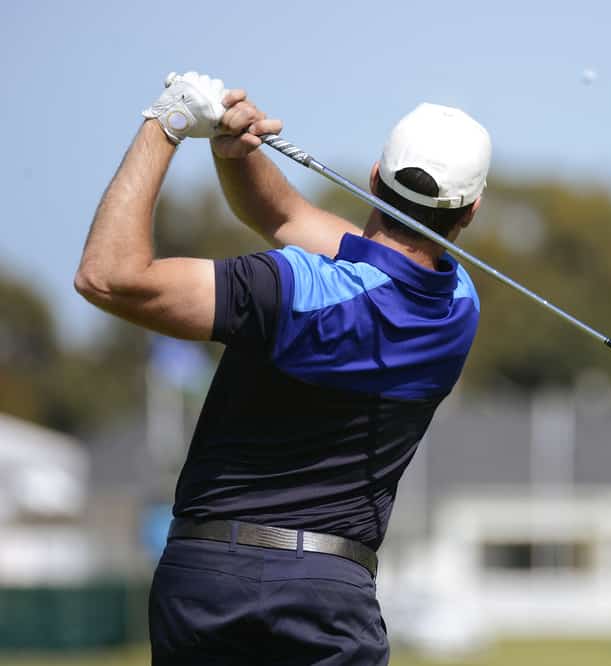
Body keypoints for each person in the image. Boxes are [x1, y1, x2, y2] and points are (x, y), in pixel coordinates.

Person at [75, 71, 491, 665]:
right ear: (470, 211)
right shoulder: (460, 309)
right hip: (331, 594)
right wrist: (234, 152)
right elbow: (285, 215)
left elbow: (107, 276)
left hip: (208, 585)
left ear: (375, 178)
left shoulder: (290, 286)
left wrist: (164, 124)